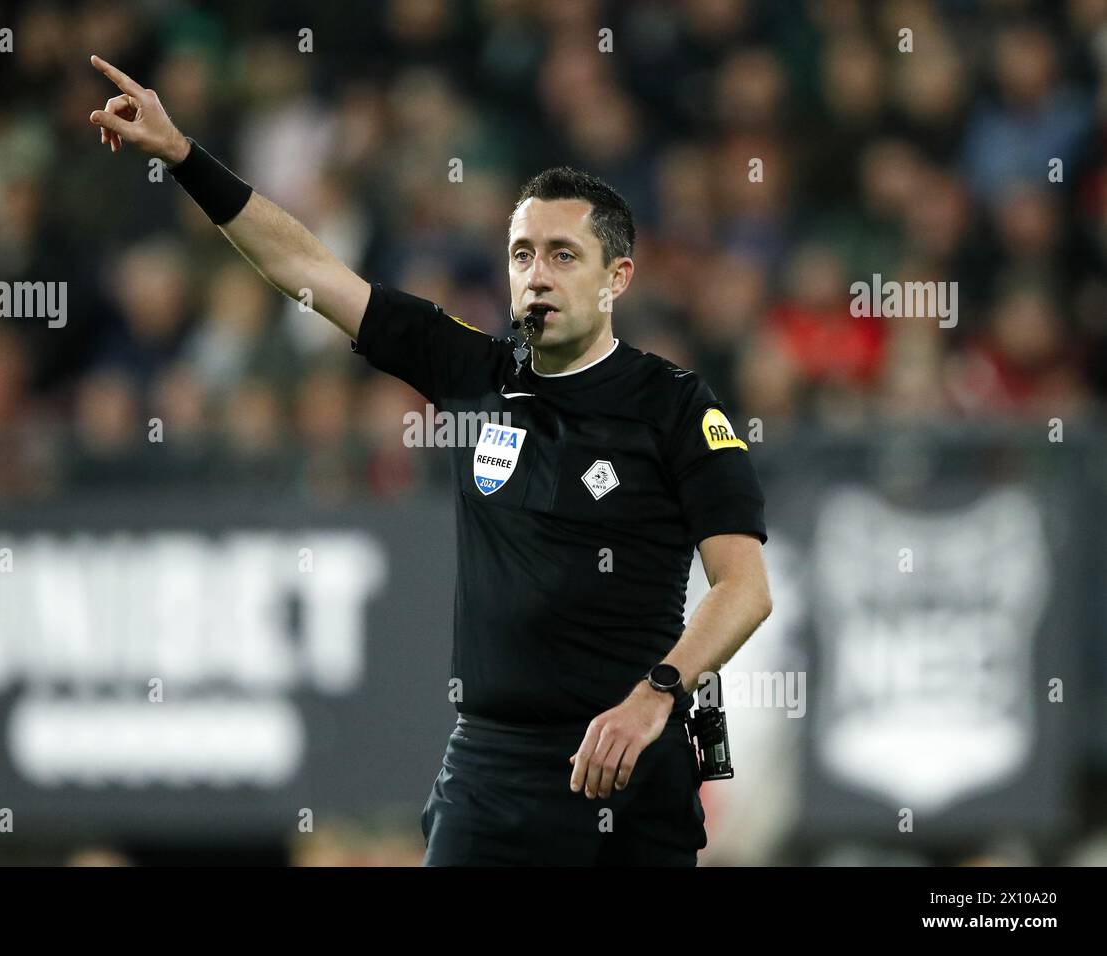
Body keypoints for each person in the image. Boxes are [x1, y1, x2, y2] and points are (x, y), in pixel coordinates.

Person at [87, 53, 773, 866]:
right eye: (522, 255)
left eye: (562, 255)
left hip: (624, 762)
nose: (537, 277)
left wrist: (658, 694)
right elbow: (308, 269)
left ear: (616, 276)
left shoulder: (676, 408)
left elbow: (746, 588)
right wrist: (183, 157)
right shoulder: (473, 372)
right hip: (489, 770)